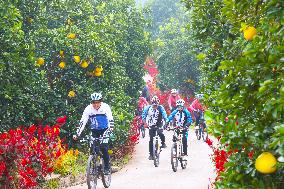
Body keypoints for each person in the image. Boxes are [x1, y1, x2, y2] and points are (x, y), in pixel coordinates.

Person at [73, 92, 114, 174]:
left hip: (105, 130)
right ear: (91, 102)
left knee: (104, 148)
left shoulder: (106, 107)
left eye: (98, 102)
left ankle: (106, 167)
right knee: (92, 148)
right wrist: (77, 134)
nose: (96, 105)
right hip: (94, 130)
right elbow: (83, 121)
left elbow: (110, 119)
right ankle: (94, 166)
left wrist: (111, 129)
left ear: (100, 102)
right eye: (94, 103)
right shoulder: (88, 109)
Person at [142, 95, 168, 160]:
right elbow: (143, 116)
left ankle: (163, 142)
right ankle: (151, 154)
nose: (155, 107)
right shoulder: (147, 108)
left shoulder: (161, 107)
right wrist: (145, 124)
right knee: (151, 139)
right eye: (154, 105)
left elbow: (165, 115)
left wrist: (166, 123)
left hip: (159, 124)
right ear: (151, 104)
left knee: (160, 133)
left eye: (156, 106)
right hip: (151, 124)